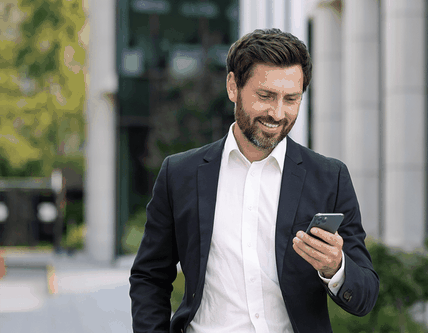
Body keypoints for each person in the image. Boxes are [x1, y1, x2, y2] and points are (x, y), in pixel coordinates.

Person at [129, 28, 379, 333]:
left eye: (291, 99)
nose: (278, 112)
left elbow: (365, 295)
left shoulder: (330, 178)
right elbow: (149, 277)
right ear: (233, 87)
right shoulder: (179, 174)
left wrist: (335, 267)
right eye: (266, 96)